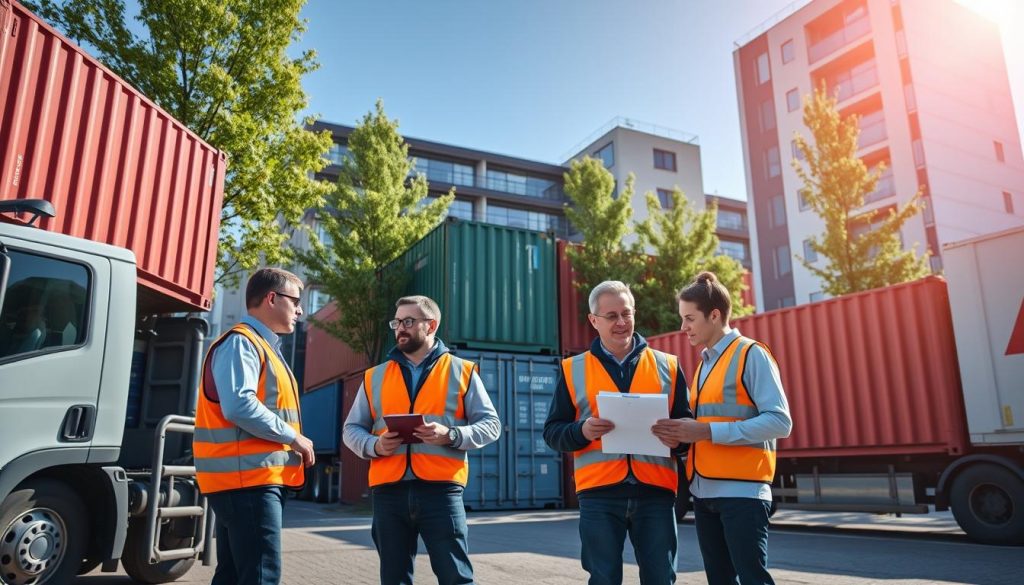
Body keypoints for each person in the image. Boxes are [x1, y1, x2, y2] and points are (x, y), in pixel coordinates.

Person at [343, 295, 501, 585]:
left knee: (457, 578)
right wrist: (374, 446)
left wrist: (451, 435)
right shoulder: (373, 376)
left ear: (431, 326)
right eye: (396, 322)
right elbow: (351, 429)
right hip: (388, 492)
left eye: (408, 321)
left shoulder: (462, 370)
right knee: (394, 579)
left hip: (441, 492)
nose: (399, 328)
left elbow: (491, 426)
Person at [544, 280, 691, 585]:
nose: (622, 322)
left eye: (627, 313)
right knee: (604, 579)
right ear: (593, 321)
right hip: (599, 494)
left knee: (662, 578)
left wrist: (678, 440)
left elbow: (687, 429)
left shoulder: (669, 366)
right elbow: (552, 433)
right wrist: (582, 430)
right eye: (612, 316)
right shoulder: (573, 369)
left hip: (656, 493)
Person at [651, 271, 792, 585]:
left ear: (714, 315)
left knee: (754, 579)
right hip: (704, 493)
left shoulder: (751, 355)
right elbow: (700, 427)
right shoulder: (703, 365)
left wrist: (706, 432)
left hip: (742, 492)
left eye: (689, 318)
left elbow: (780, 422)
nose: (683, 327)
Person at [193, 267, 316, 585]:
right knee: (260, 576)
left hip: (248, 479)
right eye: (296, 301)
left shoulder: (260, 346)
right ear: (272, 298)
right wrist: (295, 439)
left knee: (235, 575)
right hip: (248, 481)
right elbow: (239, 406)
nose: (300, 310)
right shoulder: (242, 344)